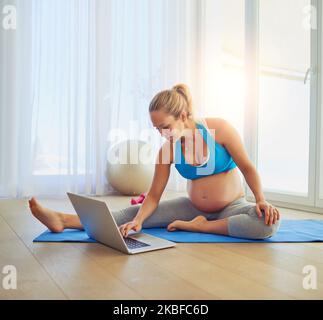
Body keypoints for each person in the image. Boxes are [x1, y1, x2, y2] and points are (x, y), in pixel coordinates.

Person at [29, 83, 281, 240]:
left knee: (266, 224)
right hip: (191, 208)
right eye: (156, 128)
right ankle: (63, 220)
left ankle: (202, 228)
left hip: (231, 206)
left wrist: (260, 199)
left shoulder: (220, 129)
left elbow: (247, 167)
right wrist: (138, 221)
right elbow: (153, 196)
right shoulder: (167, 150)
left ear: (183, 115)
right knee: (131, 213)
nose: (162, 134)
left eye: (166, 126)